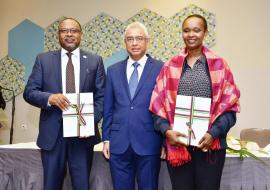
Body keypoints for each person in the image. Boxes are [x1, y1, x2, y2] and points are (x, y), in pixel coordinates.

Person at [149, 14, 240, 190]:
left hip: (210, 146)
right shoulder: (170, 66)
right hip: (178, 146)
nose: (191, 34)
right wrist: (167, 131)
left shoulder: (220, 65)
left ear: (205, 32)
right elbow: (157, 106)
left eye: (196, 30)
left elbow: (230, 109)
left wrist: (213, 133)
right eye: (186, 30)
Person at [23, 18, 105, 190]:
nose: (69, 34)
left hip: (82, 136)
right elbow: (29, 92)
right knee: (51, 185)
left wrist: (89, 122)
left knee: (82, 185)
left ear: (80, 34)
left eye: (73, 30)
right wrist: (49, 98)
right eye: (64, 30)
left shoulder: (94, 61)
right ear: (58, 35)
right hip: (53, 135)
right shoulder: (43, 60)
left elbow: (102, 97)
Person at [102, 22, 165, 190]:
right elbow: (108, 108)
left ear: (147, 41)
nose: (134, 43)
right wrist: (106, 138)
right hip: (118, 143)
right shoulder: (113, 70)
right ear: (125, 43)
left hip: (150, 141)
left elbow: (166, 107)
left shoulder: (161, 68)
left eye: (139, 38)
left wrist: (165, 142)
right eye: (130, 39)